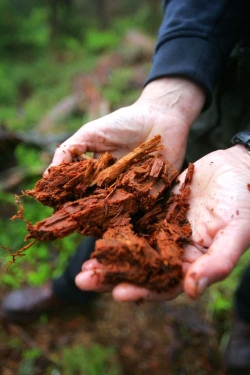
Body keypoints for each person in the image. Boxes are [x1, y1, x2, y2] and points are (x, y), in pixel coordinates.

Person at [2, 0, 250, 372]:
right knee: (109, 205)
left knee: (235, 222)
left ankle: (246, 319)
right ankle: (68, 289)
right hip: (217, 83)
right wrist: (170, 98)